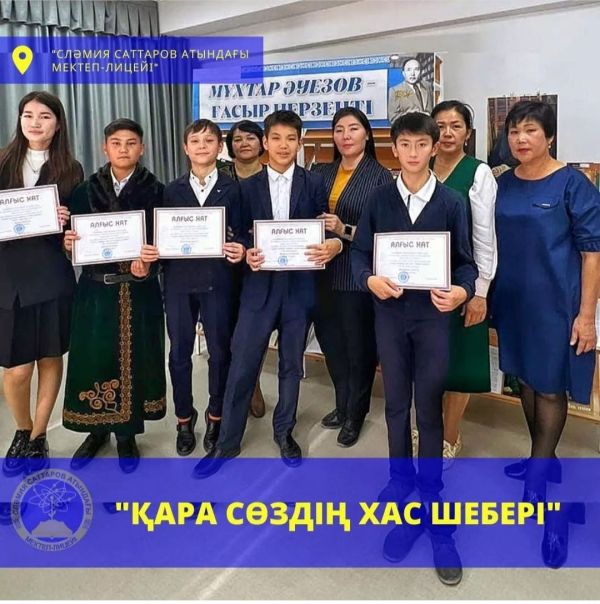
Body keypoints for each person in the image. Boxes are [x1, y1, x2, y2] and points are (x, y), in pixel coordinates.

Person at [351, 112, 478, 585]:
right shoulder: (379, 199)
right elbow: (360, 252)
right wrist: (369, 279)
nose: (413, 152)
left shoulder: (450, 202)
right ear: (395, 148)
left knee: (428, 408)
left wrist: (463, 291)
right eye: (404, 144)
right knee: (395, 406)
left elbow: (465, 263)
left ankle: (432, 500)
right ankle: (401, 481)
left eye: (421, 144)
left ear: (434, 147)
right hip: (389, 316)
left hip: (432, 321)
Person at [193, 110, 343, 478]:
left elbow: (321, 229)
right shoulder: (246, 187)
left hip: (299, 288)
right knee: (242, 362)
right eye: (276, 138)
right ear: (265, 142)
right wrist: (246, 251)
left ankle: (284, 432)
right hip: (258, 287)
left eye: (291, 138)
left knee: (291, 365)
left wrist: (332, 243)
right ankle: (227, 441)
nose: (283, 145)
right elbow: (240, 234)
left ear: (300, 142)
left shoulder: (314, 183)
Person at [493, 101, 600, 508]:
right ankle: (544, 458)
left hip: (556, 304)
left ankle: (538, 474)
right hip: (513, 300)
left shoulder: (572, 184)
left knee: (551, 386)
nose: (520, 138)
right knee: (524, 378)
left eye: (530, 130)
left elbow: (592, 253)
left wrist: (586, 317)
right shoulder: (503, 183)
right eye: (514, 131)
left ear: (550, 136)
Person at [62, 119, 166, 474]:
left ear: (142, 148)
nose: (124, 149)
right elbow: (71, 239)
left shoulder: (157, 191)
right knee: (94, 359)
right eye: (116, 142)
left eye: (131, 142)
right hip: (95, 292)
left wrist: (150, 262)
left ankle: (126, 435)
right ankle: (96, 431)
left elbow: (164, 243)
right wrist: (68, 244)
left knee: (138, 361)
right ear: (104, 147)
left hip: (140, 292)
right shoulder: (83, 191)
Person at [141, 119, 245, 457]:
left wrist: (241, 248)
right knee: (178, 354)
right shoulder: (170, 191)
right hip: (178, 283)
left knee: (220, 352)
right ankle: (184, 419)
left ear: (220, 147)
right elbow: (158, 236)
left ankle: (216, 417)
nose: (202, 146)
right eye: (195, 141)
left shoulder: (234, 189)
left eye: (209, 140)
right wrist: (153, 252)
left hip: (219, 282)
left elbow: (244, 232)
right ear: (185, 148)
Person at [0, 91, 83, 476]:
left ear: (58, 123)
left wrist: (67, 225)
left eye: (44, 116)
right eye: (28, 115)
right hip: (9, 275)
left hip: (51, 272)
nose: (35, 122)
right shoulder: (2, 161)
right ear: (19, 120)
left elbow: (76, 230)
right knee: (17, 369)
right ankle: (21, 427)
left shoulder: (70, 169)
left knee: (50, 356)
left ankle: (37, 437)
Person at [312, 107, 394, 447]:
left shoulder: (381, 177)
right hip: (320, 271)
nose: (346, 136)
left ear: (367, 134)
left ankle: (356, 413)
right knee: (331, 344)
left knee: (358, 348)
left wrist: (343, 230)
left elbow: (384, 235)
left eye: (354, 128)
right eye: (339, 129)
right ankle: (342, 404)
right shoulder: (320, 172)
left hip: (356, 276)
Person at [430, 100, 498, 464]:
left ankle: (449, 435)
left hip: (464, 282)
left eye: (455, 126)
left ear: (468, 133)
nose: (447, 133)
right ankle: (428, 427)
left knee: (459, 361)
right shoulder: (419, 167)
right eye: (440, 126)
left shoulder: (478, 172)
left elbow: (485, 238)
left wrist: (480, 292)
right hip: (422, 282)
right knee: (427, 359)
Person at [221, 120, 267, 419]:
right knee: (226, 326)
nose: (244, 143)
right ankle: (230, 386)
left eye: (251, 138)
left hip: (261, 263)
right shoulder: (220, 176)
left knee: (254, 329)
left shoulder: (272, 176)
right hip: (224, 264)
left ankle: (254, 382)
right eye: (237, 139)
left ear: (262, 143)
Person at [387, 58, 433, 123]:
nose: (412, 73)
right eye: (409, 69)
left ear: (421, 72)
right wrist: (416, 116)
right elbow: (393, 117)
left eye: (416, 69)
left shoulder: (428, 86)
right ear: (403, 73)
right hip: (409, 128)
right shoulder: (395, 90)